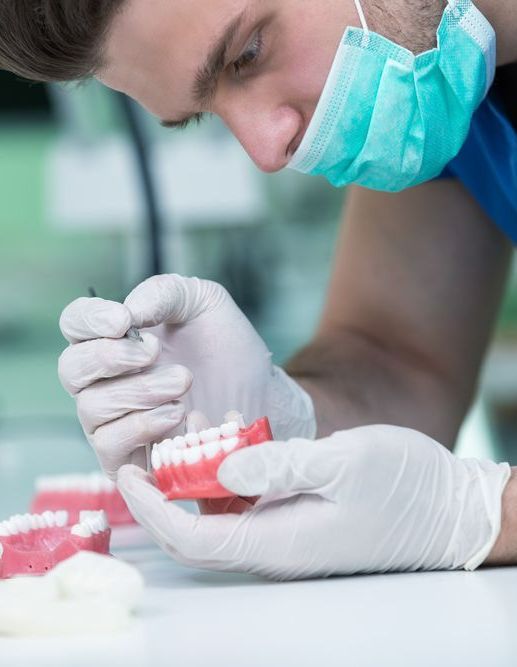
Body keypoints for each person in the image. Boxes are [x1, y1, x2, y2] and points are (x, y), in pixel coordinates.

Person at [1, 0, 516, 579]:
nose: (266, 151)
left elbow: (468, 506)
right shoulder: (442, 77)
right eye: (206, 114)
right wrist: (283, 416)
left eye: (249, 52)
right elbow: (401, 361)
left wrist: (484, 512)